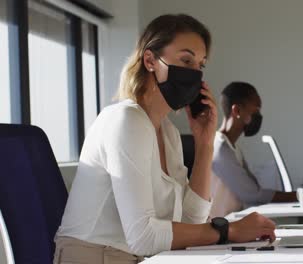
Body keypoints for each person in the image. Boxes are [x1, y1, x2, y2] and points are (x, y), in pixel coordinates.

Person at [54, 14, 275, 263]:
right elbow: (143, 236)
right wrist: (229, 231)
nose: (194, 73)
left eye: (200, 65)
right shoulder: (126, 119)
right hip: (97, 257)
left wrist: (204, 145)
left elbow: (191, 223)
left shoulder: (166, 131)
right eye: (186, 60)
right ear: (150, 60)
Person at [210, 82, 297, 218]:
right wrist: (299, 196)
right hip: (218, 229)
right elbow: (252, 194)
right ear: (237, 111)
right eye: (256, 110)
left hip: (231, 224)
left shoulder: (234, 148)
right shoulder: (220, 148)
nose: (259, 115)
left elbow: (253, 187)